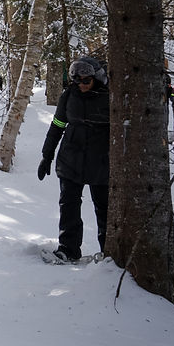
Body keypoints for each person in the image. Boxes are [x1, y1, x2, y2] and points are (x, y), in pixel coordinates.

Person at [36, 56, 109, 262]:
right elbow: (57, 125)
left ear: (97, 78)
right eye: (78, 81)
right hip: (71, 160)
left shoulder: (110, 97)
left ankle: (109, 251)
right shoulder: (69, 96)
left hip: (101, 162)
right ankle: (68, 250)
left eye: (86, 81)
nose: (82, 85)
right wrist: (46, 156)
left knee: (104, 208)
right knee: (68, 206)